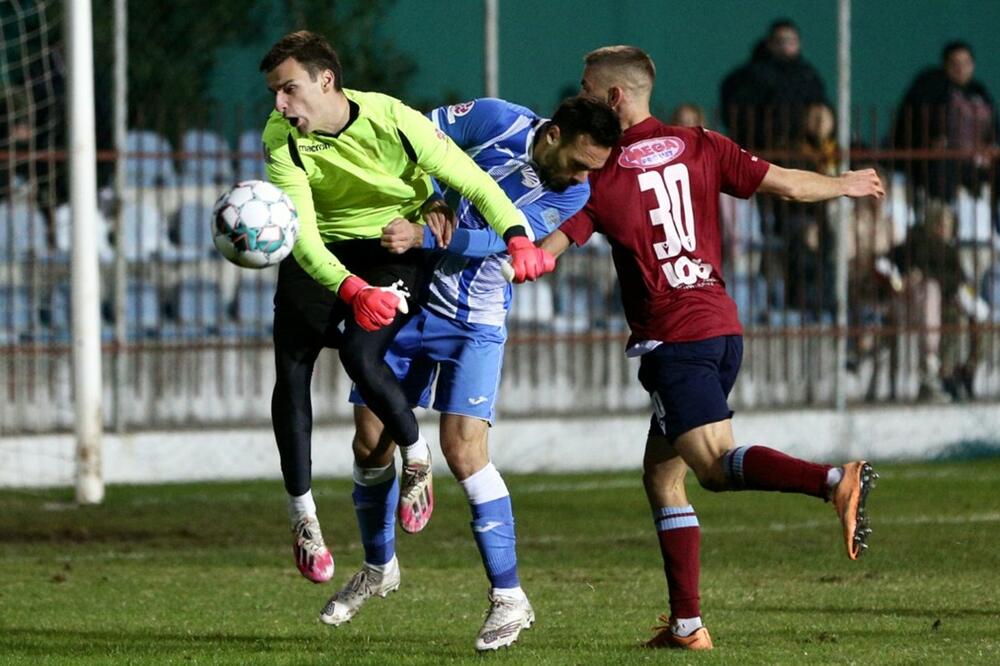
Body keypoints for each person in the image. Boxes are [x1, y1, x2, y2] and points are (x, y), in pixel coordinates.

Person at [539, 45, 884, 650]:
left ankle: (834, 480)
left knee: (714, 467)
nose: (582, 98)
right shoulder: (702, 143)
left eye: (589, 90)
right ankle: (687, 626)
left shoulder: (603, 175)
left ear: (614, 98)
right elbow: (786, 186)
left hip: (676, 341)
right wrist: (843, 184)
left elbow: (548, 251)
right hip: (721, 325)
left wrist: (489, 247)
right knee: (661, 477)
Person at [317, 95, 621, 651]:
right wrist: (429, 197)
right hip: (411, 298)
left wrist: (427, 234)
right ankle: (379, 566)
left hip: (474, 322)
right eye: (579, 161)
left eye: (593, 169)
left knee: (463, 451)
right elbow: (414, 139)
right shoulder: (493, 118)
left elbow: (500, 241)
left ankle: (509, 598)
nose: (583, 177)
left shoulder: (574, 192)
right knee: (368, 444)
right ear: (552, 134)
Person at [259, 31, 556, 585]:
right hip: (323, 251)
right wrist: (351, 291)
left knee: (359, 352)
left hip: (390, 249)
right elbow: (302, 237)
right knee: (291, 369)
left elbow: (473, 180)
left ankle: (416, 458)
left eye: (289, 89)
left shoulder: (392, 119)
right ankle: (304, 519)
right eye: (276, 92)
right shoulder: (282, 137)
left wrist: (516, 236)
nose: (280, 104)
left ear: (327, 81)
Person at [894, 41, 997, 205]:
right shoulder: (930, 86)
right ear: (945, 65)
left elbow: (993, 130)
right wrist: (932, 141)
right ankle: (946, 216)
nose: (961, 68)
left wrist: (990, 147)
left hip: (976, 161)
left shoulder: (979, 91)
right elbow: (912, 123)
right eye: (955, 63)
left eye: (966, 63)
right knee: (942, 169)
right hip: (941, 161)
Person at [719, 19, 829, 150]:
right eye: (780, 41)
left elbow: (820, 106)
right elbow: (737, 114)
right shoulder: (750, 75)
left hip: (801, 148)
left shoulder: (808, 75)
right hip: (760, 148)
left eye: (791, 41)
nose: (786, 46)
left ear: (799, 43)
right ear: (770, 44)